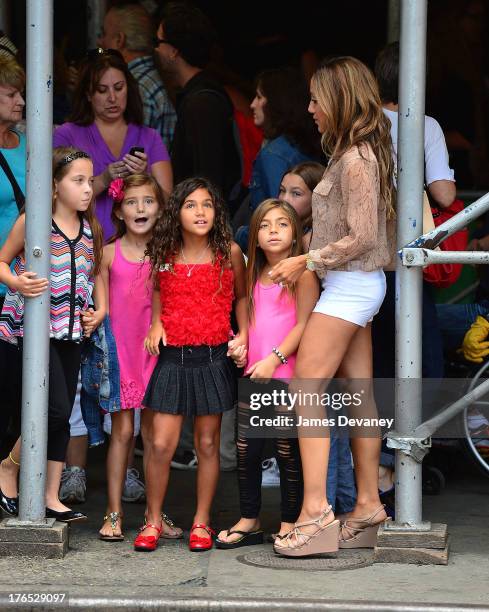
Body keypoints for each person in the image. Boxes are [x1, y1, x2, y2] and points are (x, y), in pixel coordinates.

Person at [269, 57, 395, 556]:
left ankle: (316, 512)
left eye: (317, 98)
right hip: (357, 285)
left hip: (350, 285)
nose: (310, 108)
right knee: (358, 393)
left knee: (306, 388)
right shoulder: (359, 153)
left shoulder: (357, 159)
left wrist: (306, 258)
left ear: (338, 100)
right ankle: (366, 506)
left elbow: (362, 235)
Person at [134, 177, 247, 552]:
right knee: (162, 444)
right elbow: (155, 290)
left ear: (217, 212)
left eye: (207, 205)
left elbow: (242, 297)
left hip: (213, 357)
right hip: (173, 358)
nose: (200, 212)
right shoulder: (164, 252)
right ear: (176, 213)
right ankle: (153, 520)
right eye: (190, 205)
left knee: (208, 444)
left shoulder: (228, 252)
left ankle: (202, 523)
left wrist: (243, 333)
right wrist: (156, 322)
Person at [0, 147, 104, 522]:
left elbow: (97, 274)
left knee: (62, 414)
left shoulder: (90, 228)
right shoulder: (34, 222)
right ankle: (9, 467)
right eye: (78, 181)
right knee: (53, 407)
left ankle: (50, 495)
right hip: (35, 329)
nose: (87, 189)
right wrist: (16, 280)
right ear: (55, 186)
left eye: (90, 181)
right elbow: (2, 260)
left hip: (72, 330)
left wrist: (100, 310)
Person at [216, 199, 318, 549]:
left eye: (282, 224)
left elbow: (305, 325)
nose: (273, 231)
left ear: (295, 236)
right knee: (247, 449)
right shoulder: (253, 272)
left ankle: (290, 521)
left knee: (287, 450)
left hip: (285, 374)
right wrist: (241, 341)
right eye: (265, 225)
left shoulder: (302, 276)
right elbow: (246, 313)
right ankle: (250, 518)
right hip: (254, 374)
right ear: (255, 238)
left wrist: (274, 359)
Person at [95, 173, 182, 541]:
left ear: (160, 210)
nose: (140, 208)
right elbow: (101, 307)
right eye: (131, 202)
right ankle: (113, 512)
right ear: (118, 211)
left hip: (156, 353)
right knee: (123, 432)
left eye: (148, 201)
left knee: (152, 434)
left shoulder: (168, 254)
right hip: (120, 354)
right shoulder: (109, 253)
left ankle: (154, 514)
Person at [278, 162, 357, 516]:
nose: (285, 200)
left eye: (296, 193)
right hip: (330, 335)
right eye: (282, 191)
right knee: (334, 419)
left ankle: (321, 509)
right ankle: (342, 502)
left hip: (322, 335)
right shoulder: (305, 237)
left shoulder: (313, 241)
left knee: (321, 418)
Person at [53, 48, 173, 241]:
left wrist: (144, 176)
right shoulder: (66, 135)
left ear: (129, 88)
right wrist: (103, 179)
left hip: (138, 254)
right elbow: (55, 199)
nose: (112, 98)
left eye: (119, 88)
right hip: (79, 250)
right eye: (102, 90)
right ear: (88, 94)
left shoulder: (149, 137)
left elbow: (169, 205)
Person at [154, 2, 241, 204]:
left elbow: (209, 178)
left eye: (158, 42)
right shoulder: (198, 96)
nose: (156, 49)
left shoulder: (201, 104)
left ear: (174, 51)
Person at [235, 67, 321, 252]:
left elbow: (280, 218)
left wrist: (242, 234)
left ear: (276, 102)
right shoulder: (305, 143)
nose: (252, 104)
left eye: (259, 97)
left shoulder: (274, 155)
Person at [97, 3, 177, 150]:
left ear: (119, 40)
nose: (99, 42)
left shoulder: (135, 87)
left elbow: (126, 159)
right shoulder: (154, 77)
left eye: (104, 34)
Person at [0, 56, 25, 453]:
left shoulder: (30, 142)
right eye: (11, 93)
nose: (22, 100)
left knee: (18, 390)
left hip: (26, 282)